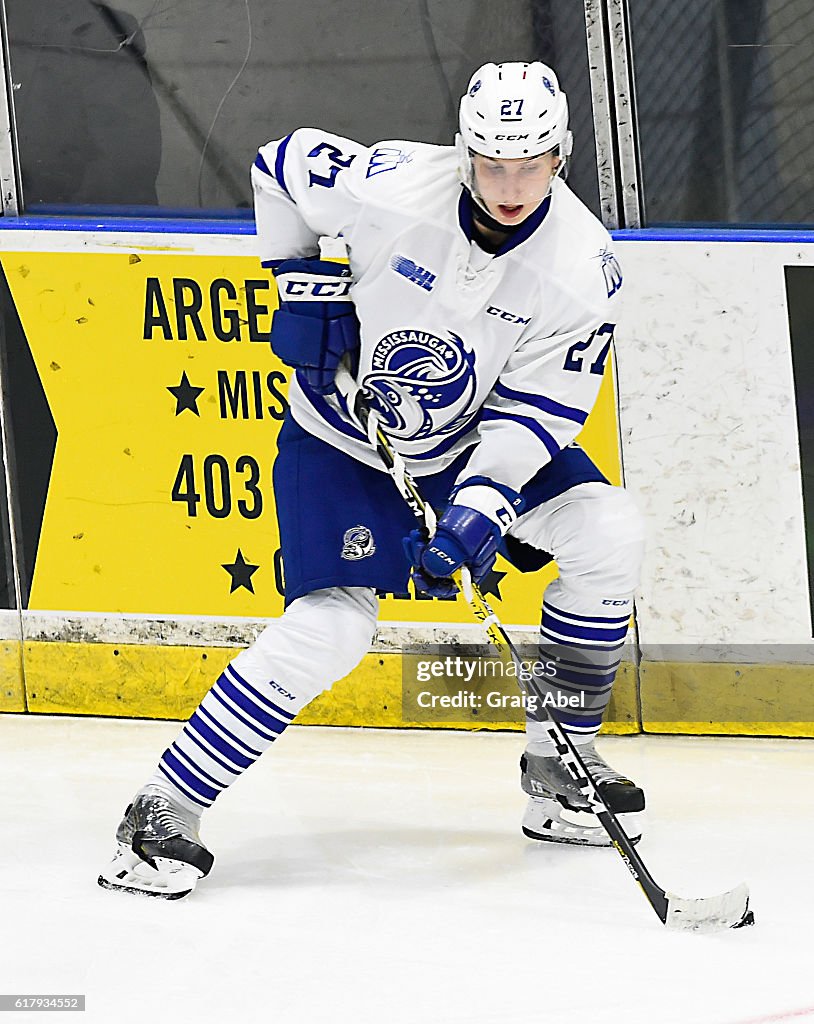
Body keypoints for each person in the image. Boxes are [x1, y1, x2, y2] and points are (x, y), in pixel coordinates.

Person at [98, 61, 646, 899]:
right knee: (333, 630)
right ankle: (161, 812)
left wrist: (480, 511)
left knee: (609, 531)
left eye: (528, 165)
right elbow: (277, 165)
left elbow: (536, 414)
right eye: (492, 164)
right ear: (465, 152)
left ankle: (559, 763)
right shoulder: (390, 183)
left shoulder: (583, 269)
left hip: (471, 448)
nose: (508, 185)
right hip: (342, 441)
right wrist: (299, 281)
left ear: (561, 157)